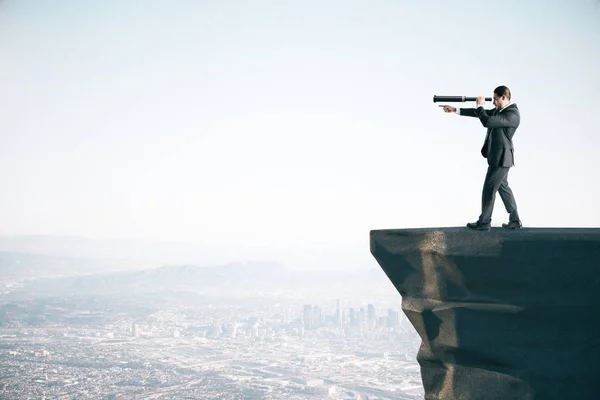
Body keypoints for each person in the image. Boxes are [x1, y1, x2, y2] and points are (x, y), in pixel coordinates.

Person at [440, 85, 522, 231]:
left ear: (504, 97)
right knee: (503, 188)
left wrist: (479, 105)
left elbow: (487, 121)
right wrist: (455, 110)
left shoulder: (512, 114)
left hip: (501, 159)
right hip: (498, 158)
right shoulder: (500, 111)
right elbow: (479, 113)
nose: (494, 102)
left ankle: (484, 223)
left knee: (489, 189)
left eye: (496, 99)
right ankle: (515, 220)